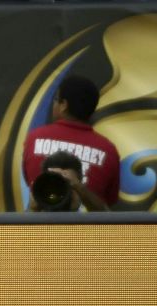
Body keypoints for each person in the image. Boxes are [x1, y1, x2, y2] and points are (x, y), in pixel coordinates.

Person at [23, 75, 120, 211]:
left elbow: (30, 185)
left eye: (56, 100)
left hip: (39, 230)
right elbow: (107, 205)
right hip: (87, 231)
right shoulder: (108, 150)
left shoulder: (34, 138)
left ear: (64, 105)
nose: (54, 105)